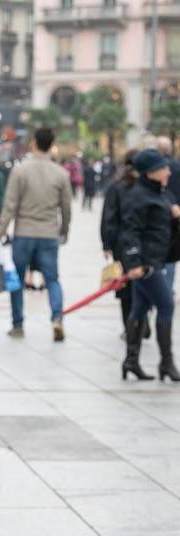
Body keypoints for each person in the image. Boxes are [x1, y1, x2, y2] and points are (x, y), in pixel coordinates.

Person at [0, 128, 72, 341]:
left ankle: (18, 324)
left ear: (34, 143)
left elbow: (9, 206)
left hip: (24, 232)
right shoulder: (60, 174)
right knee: (52, 279)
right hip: (48, 233)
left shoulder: (21, 171)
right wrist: (64, 231)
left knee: (17, 280)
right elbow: (66, 208)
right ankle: (57, 318)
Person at [119, 149, 180, 382]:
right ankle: (167, 362)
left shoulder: (161, 194)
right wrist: (134, 263)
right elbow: (130, 231)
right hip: (146, 264)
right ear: (151, 173)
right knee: (166, 305)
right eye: (163, 168)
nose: (168, 172)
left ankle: (131, 360)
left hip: (158, 259)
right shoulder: (138, 197)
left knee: (140, 307)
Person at [101, 150, 151, 340]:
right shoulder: (147, 186)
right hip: (145, 244)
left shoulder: (116, 187)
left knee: (124, 288)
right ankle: (143, 321)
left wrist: (106, 243)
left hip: (122, 245)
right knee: (145, 283)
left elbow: (109, 218)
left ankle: (130, 326)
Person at [156, 136, 180, 293]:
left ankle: (159, 286)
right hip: (175, 212)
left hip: (157, 210)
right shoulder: (177, 165)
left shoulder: (155, 167)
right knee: (171, 251)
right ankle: (167, 287)